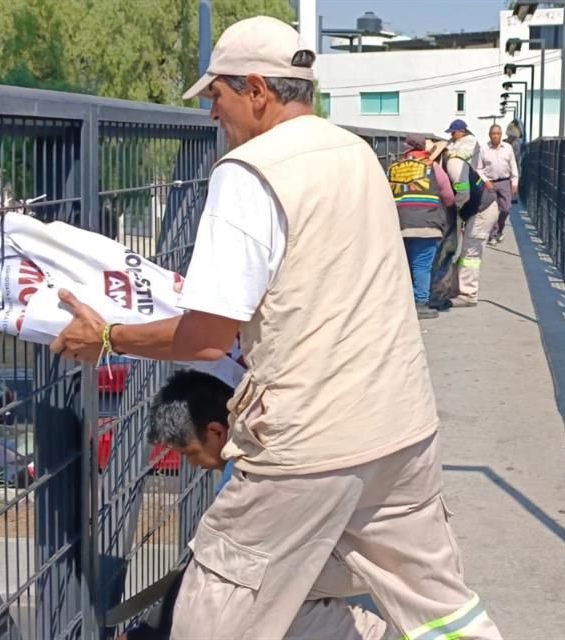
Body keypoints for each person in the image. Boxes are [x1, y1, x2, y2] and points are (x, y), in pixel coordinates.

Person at [51, 15, 502, 640]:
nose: (214, 114)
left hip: (311, 444)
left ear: (258, 90)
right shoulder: (359, 154)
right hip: (402, 425)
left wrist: (107, 336)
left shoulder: (250, 173)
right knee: (440, 608)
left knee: (210, 617)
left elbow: (209, 335)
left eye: (217, 95)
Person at [119, 369, 387, 640]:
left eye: (189, 453)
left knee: (242, 603)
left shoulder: (244, 479)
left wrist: (147, 633)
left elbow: (218, 574)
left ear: (216, 431)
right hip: (365, 547)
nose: (192, 464)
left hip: (348, 564)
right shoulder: (262, 440)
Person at [387, 133, 455, 319]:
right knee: (422, 265)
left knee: (405, 265)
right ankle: (420, 303)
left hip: (399, 223)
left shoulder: (394, 168)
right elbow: (448, 195)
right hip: (427, 223)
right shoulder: (431, 167)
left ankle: (404, 302)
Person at [443, 119, 499, 308]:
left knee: (470, 253)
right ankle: (456, 289)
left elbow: (463, 193)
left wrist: (455, 212)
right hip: (481, 207)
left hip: (482, 209)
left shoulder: (452, 164)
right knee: (466, 249)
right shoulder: (456, 159)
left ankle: (468, 294)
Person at [476, 124, 519, 246]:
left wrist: (514, 183)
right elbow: (479, 169)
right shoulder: (484, 149)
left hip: (505, 182)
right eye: (493, 134)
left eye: (498, 134)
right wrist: (486, 181)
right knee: (493, 211)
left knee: (506, 209)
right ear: (489, 135)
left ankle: (499, 230)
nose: (495, 136)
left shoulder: (508, 148)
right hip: (490, 183)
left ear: (501, 135)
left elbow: (513, 166)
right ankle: (493, 235)